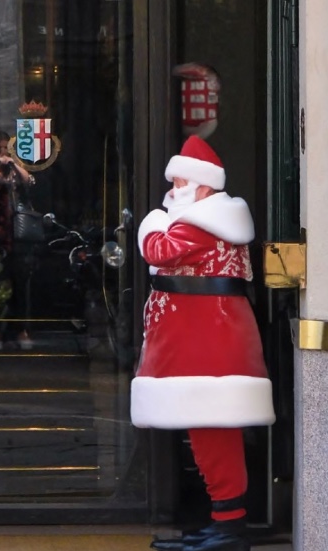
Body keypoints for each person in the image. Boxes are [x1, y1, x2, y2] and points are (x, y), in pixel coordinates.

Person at [134, 136, 273, 551]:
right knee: (207, 430)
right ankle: (223, 522)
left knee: (213, 431)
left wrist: (150, 221)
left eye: (179, 183)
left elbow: (157, 249)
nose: (171, 191)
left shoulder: (201, 222)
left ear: (203, 188)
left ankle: (229, 528)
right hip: (201, 339)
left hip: (206, 341)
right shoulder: (203, 219)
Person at [0, 131, 38, 350]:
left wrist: (12, 163)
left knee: (21, 286)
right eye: (0, 148)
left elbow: (29, 180)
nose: (4, 152)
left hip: (18, 238)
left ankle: (21, 330)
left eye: (7, 148)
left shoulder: (16, 169)